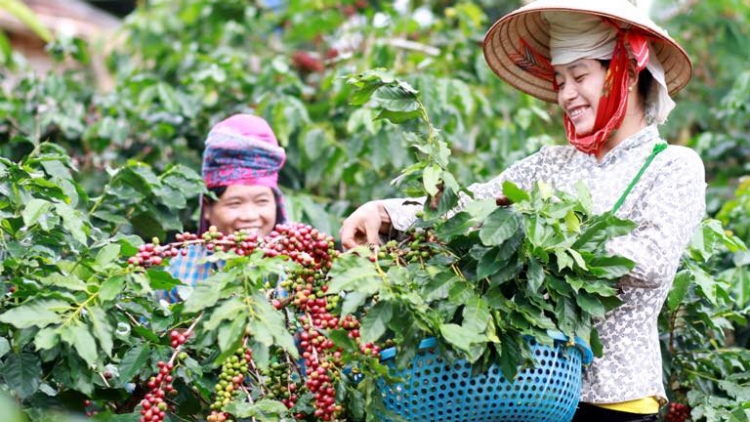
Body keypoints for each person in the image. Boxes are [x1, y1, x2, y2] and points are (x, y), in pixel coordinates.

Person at [339, 0, 706, 420]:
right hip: (536, 392)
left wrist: (545, 234)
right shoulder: (550, 164)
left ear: (626, 71)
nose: (566, 94)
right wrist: (386, 213)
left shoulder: (673, 165)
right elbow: (469, 207)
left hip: (615, 401)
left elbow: (652, 263)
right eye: (559, 80)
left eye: (580, 76)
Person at [164, 114, 288, 301]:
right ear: (207, 208)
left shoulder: (297, 266)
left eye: (262, 201)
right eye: (235, 203)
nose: (249, 215)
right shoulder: (177, 272)